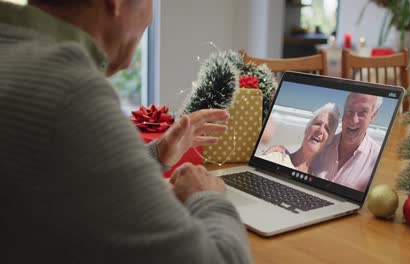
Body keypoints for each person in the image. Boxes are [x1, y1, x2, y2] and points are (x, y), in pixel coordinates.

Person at [0, 1, 251, 263]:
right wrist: (205, 195)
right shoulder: (69, 90)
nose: (150, 17)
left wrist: (156, 154)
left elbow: (67, 172)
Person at [310, 93, 383, 191]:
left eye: (362, 113)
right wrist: (283, 155)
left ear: (373, 116)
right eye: (350, 111)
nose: (354, 120)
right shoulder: (321, 144)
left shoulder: (377, 159)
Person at [261, 103, 340, 174]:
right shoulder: (277, 157)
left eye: (327, 129)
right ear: (307, 129)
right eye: (317, 123)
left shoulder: (316, 178)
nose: (320, 130)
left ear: (328, 141)